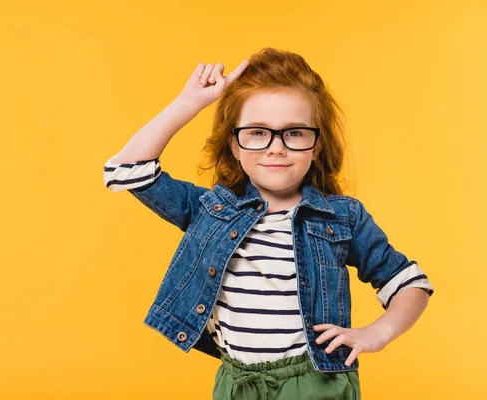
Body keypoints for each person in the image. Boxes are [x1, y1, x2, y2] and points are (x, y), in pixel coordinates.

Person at [102, 47, 434, 399]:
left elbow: (410, 284)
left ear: (316, 146)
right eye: (258, 132)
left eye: (294, 133)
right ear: (234, 144)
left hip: (313, 383)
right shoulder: (210, 209)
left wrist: (377, 334)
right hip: (238, 383)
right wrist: (189, 103)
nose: (276, 148)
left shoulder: (342, 216)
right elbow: (126, 171)